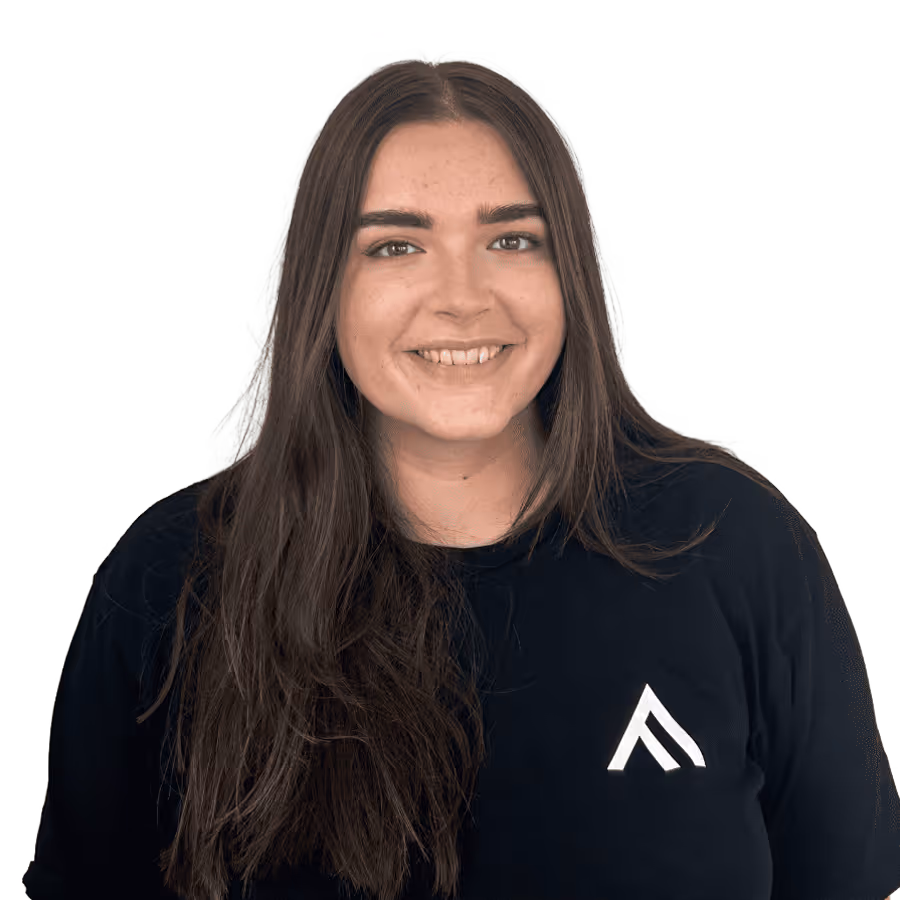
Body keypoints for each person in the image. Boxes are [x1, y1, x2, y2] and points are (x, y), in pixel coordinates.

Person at [24, 54, 900, 900]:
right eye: (396, 247)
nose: (463, 296)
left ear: (572, 278)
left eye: (513, 239)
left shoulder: (733, 542)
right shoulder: (170, 581)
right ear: (322, 289)